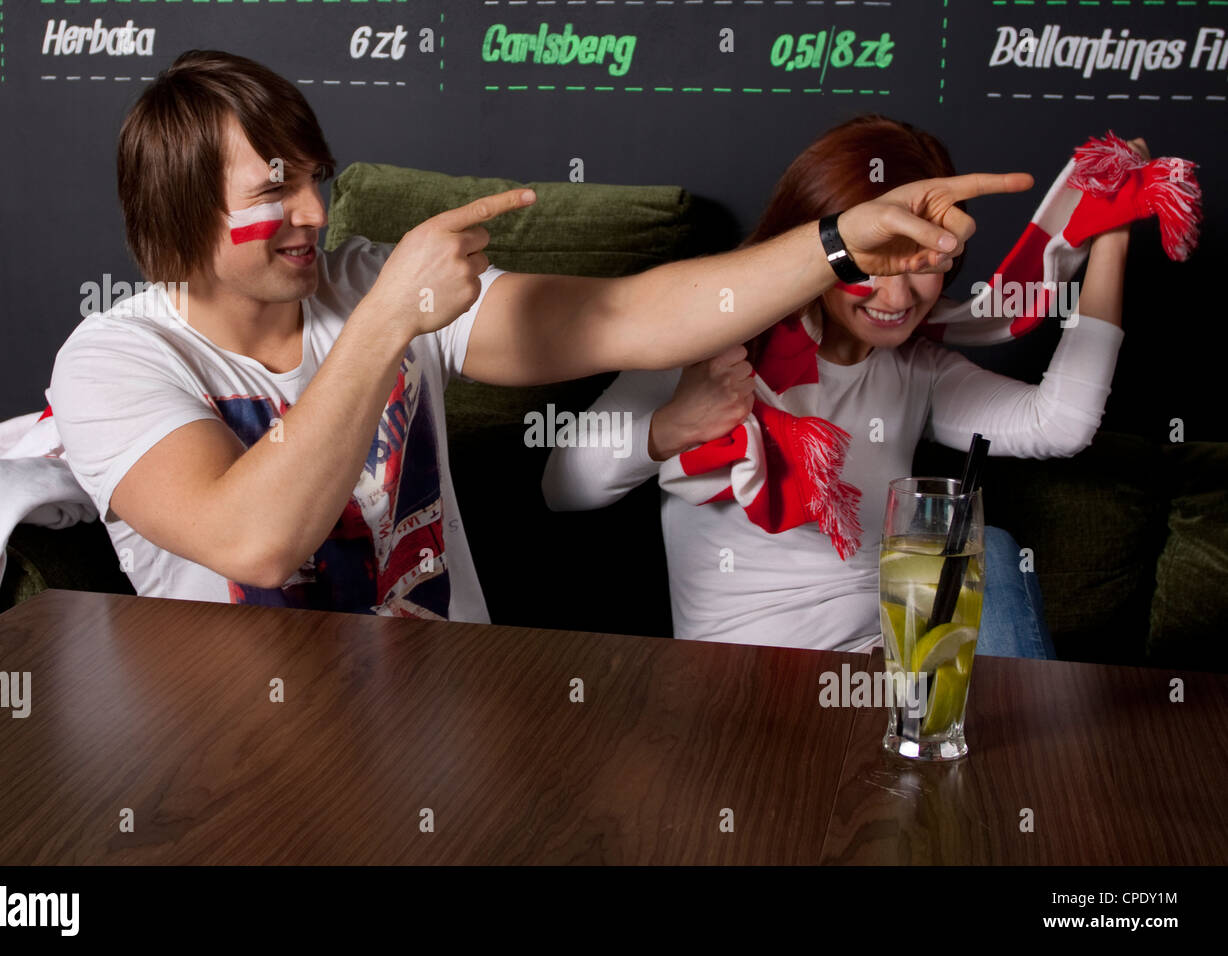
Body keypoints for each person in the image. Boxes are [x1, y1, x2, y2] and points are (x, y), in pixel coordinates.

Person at [50, 52, 1028, 622]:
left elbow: (633, 315)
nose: (315, 208)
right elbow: (254, 542)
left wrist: (840, 242)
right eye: (274, 188)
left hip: (452, 721)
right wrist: (392, 313)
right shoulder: (114, 360)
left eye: (318, 176)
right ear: (179, 213)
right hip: (251, 761)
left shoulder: (362, 278)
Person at [543, 115, 1138, 656]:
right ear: (822, 254)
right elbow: (562, 485)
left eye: (925, 268)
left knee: (995, 552)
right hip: (746, 678)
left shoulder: (916, 367)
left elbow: (1060, 422)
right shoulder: (711, 340)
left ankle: (1012, 770)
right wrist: (677, 424)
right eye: (874, 268)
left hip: (890, 659)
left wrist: (1109, 233)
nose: (898, 299)